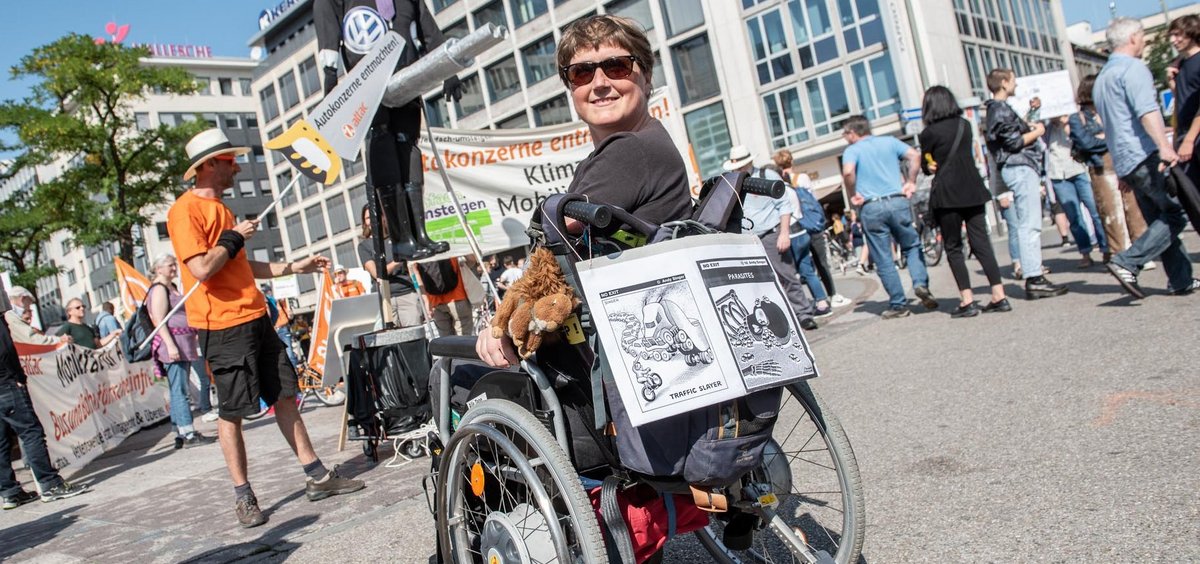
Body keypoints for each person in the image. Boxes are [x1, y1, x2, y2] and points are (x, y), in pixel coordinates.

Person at [167, 128, 363, 529]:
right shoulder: (184, 211)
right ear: (208, 165)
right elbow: (202, 268)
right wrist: (234, 237)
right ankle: (243, 496)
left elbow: (239, 265)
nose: (238, 167)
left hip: (257, 317)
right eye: (230, 161)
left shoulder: (222, 210)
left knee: (286, 395)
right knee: (232, 413)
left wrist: (294, 266)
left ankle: (317, 476)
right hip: (222, 327)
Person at [477, 14, 693, 367]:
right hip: (628, 343)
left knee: (458, 373)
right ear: (570, 87)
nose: (600, 83)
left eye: (617, 66)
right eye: (582, 73)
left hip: (621, 355)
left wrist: (503, 320)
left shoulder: (631, 149)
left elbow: (556, 246)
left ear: (646, 76)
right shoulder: (637, 145)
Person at [315, 0, 457, 260]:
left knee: (408, 145)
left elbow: (426, 27)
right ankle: (401, 239)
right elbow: (326, 17)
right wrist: (330, 74)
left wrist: (447, 69)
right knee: (383, 143)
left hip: (406, 74)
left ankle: (419, 233)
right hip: (368, 77)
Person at [1095, 17, 1199, 297]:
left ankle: (1181, 279)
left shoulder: (1102, 78)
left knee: (1160, 220)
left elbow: (1111, 126)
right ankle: (1127, 261)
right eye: (1142, 37)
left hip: (1126, 160)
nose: (1144, 42)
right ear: (1132, 39)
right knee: (1176, 214)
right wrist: (1164, 146)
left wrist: (1120, 168)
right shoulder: (1133, 69)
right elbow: (1147, 111)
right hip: (1144, 154)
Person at [918, 85, 1010, 317]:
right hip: (972, 188)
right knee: (982, 243)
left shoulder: (928, 133)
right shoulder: (964, 125)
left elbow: (927, 165)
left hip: (947, 194)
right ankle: (999, 295)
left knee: (953, 247)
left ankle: (967, 301)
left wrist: (929, 165)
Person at [1, 283, 90, 509]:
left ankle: (9, 492)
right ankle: (50, 484)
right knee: (31, 432)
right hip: (6, 384)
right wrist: (18, 376)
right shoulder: (2, 319)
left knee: (2, 441)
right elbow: (7, 349)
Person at [840, 115, 938, 318]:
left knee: (883, 255)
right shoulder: (890, 142)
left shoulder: (852, 150)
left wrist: (853, 195)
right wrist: (910, 181)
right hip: (897, 200)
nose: (844, 138)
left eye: (845, 134)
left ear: (852, 133)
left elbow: (848, 172)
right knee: (911, 245)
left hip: (871, 206)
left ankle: (898, 304)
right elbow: (915, 156)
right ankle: (920, 283)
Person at [984, 68, 1068, 299]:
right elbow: (1013, 142)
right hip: (1020, 166)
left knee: (1027, 222)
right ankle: (1034, 277)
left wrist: (1032, 113)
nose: (1016, 84)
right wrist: (1038, 131)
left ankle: (1034, 274)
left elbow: (1011, 134)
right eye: (1013, 80)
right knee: (1029, 223)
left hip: (1017, 166)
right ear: (1003, 82)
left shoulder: (997, 110)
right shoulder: (1000, 109)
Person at [726, 146, 819, 330]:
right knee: (758, 281)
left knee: (786, 275)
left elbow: (784, 205)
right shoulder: (732, 181)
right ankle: (777, 318)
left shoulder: (766, 175)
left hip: (770, 233)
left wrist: (784, 233)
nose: (738, 169)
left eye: (741, 165)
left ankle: (803, 314)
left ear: (749, 162)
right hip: (747, 239)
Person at [1069, 74, 1149, 261]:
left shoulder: (1111, 111)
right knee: (1111, 211)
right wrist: (1109, 139)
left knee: (1133, 207)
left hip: (1124, 162)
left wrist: (1105, 138)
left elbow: (1124, 134)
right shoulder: (1078, 118)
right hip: (1101, 168)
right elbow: (1087, 143)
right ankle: (1120, 253)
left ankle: (1142, 250)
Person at [147, 254, 216, 449]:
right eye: (170, 265)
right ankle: (188, 433)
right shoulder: (159, 289)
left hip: (183, 343)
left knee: (178, 388)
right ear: (159, 269)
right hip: (174, 345)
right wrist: (170, 345)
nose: (174, 268)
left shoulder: (171, 287)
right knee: (180, 390)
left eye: (174, 265)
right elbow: (159, 319)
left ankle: (179, 431)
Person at [1045, 113, 1109, 268]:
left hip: (1079, 168)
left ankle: (1106, 249)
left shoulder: (1074, 118)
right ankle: (1085, 253)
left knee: (1095, 210)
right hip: (1058, 173)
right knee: (1074, 217)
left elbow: (1079, 139)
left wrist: (1066, 123)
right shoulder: (1047, 125)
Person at [357, 204, 423, 327]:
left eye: (375, 215)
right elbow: (377, 274)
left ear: (383, 217)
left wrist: (423, 295)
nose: (372, 220)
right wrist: (397, 261)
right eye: (368, 218)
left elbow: (413, 269)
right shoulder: (364, 246)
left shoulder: (398, 239)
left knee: (415, 335)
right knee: (392, 337)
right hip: (385, 300)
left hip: (407, 295)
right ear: (365, 222)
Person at [416, 258, 474, 336]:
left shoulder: (418, 252)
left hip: (435, 302)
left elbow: (415, 275)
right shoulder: (451, 250)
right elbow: (471, 259)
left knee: (445, 339)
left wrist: (426, 301)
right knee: (464, 338)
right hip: (458, 297)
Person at [4, 286, 70, 346]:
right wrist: (59, 340)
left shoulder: (10, 315)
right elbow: (31, 339)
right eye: (29, 303)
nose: (29, 307)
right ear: (22, 298)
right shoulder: (10, 315)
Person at [56, 298, 121, 349]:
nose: (82, 308)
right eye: (78, 307)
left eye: (83, 306)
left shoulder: (87, 327)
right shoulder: (67, 327)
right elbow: (55, 344)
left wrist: (113, 334)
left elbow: (98, 344)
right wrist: (62, 341)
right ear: (69, 311)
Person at [262, 284, 301, 368]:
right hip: (273, 331)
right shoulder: (265, 302)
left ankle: (295, 372)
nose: (268, 293)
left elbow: (290, 316)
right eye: (266, 292)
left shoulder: (279, 301)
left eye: (268, 291)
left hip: (283, 329)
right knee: (280, 356)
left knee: (289, 354)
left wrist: (290, 313)